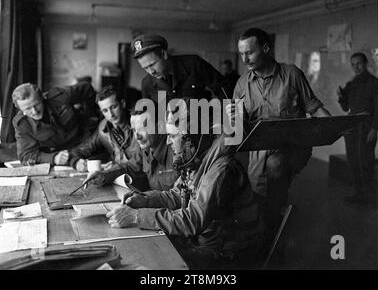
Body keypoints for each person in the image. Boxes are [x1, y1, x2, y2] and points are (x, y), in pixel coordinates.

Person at [104, 106, 264, 270]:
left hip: (226, 255)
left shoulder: (221, 168)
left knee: (150, 261)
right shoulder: (198, 158)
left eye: (173, 136)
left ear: (191, 139)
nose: (168, 142)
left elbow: (193, 219)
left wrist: (137, 216)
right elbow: (175, 195)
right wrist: (142, 199)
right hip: (202, 243)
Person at [226, 27, 331, 244]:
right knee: (260, 199)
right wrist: (232, 119)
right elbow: (236, 129)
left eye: (250, 52)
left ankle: (273, 243)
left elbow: (314, 108)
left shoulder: (291, 74)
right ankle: (271, 238)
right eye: (241, 54)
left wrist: (333, 126)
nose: (245, 59)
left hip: (293, 149)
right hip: (259, 155)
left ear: (266, 48)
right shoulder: (242, 84)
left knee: (276, 167)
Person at [82, 108, 179, 192]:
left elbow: (177, 199)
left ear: (160, 127)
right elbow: (130, 167)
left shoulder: (177, 153)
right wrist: (103, 175)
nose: (137, 136)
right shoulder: (147, 149)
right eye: (134, 130)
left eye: (142, 129)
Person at [12, 82, 97, 166]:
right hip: (65, 155)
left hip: (88, 142)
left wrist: (91, 119)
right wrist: (54, 158)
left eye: (36, 104)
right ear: (20, 108)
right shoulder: (22, 124)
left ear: (42, 98)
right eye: (27, 109)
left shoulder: (60, 96)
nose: (34, 111)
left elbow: (86, 88)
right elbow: (26, 156)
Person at [132, 34, 224, 104]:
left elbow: (224, 89)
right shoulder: (147, 83)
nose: (151, 71)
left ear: (164, 54)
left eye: (152, 64)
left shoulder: (193, 64)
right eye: (145, 68)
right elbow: (151, 117)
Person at [337, 52, 378, 204]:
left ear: (365, 63)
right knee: (353, 160)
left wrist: (375, 129)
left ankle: (368, 196)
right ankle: (358, 194)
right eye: (353, 64)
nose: (356, 67)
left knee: (365, 161)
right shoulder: (352, 84)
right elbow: (345, 107)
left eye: (359, 63)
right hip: (352, 128)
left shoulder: (374, 83)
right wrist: (341, 97)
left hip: (367, 128)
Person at [69, 86, 139, 172]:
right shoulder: (103, 128)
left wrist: (114, 168)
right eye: (105, 111)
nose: (111, 114)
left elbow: (142, 160)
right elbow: (78, 151)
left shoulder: (138, 122)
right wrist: (76, 162)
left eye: (114, 107)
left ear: (123, 104)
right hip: (119, 178)